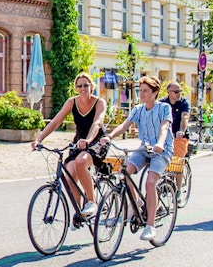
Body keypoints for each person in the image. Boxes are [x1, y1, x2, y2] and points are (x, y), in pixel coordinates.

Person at [101, 76, 173, 241]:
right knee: (123, 171)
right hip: (144, 149)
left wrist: (160, 143)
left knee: (150, 182)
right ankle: (137, 204)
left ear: (155, 93)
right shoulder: (138, 109)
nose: (142, 94)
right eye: (141, 90)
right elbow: (124, 126)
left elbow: (164, 127)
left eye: (146, 91)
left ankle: (150, 225)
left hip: (162, 150)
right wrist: (110, 136)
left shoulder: (164, 107)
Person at [31, 72, 107, 220]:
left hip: (97, 141)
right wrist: (39, 139)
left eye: (86, 85)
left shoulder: (99, 102)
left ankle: (92, 201)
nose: (83, 88)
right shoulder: (72, 102)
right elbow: (55, 122)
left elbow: (97, 123)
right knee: (69, 175)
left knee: (81, 162)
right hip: (79, 141)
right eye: (79, 86)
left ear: (92, 86)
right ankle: (79, 212)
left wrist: (88, 139)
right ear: (76, 88)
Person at [160, 81, 191, 199]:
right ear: (168, 92)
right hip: (165, 136)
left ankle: (178, 190)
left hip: (179, 136)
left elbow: (185, 117)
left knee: (177, 162)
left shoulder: (183, 103)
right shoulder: (162, 103)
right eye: (176, 91)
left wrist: (181, 130)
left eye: (180, 92)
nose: (179, 94)